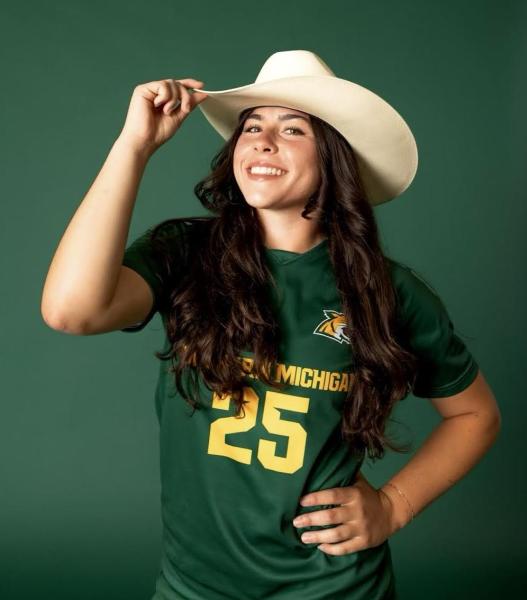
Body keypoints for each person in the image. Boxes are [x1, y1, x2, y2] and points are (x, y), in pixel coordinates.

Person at [41, 50, 501, 600]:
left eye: (292, 128)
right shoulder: (184, 253)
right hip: (195, 589)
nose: (262, 140)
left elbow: (476, 414)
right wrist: (133, 147)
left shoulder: (391, 291)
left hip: (334, 588)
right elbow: (72, 311)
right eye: (251, 126)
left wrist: (393, 506)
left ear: (334, 158)